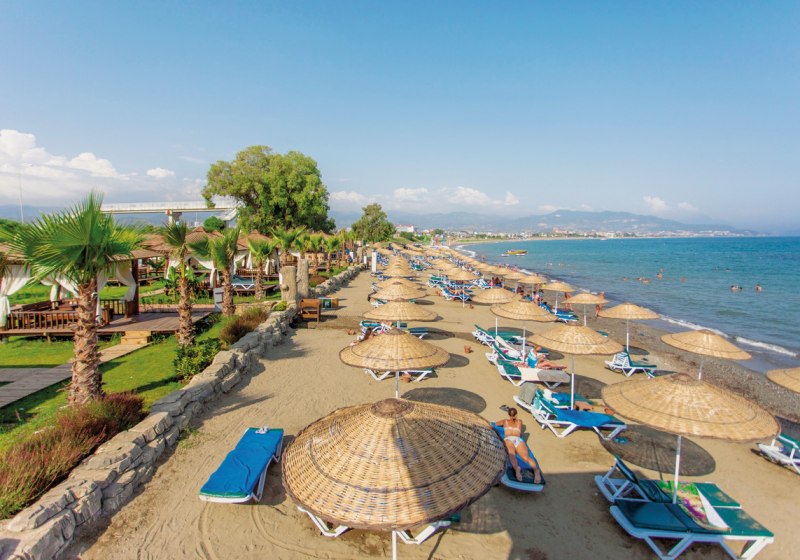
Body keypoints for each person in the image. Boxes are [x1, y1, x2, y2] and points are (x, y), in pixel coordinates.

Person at [496, 408, 542, 483]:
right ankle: (536, 471)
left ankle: (517, 469)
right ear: (516, 414)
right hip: (518, 440)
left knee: (512, 455)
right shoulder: (520, 422)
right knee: (526, 457)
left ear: (508, 414)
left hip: (509, 439)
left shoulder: (505, 421)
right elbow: (516, 421)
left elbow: (496, 424)